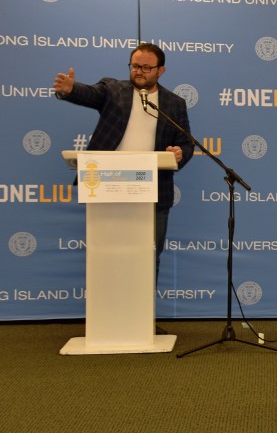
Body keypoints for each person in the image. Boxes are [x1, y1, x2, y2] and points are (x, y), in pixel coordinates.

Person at [53, 42, 194, 279]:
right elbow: (90, 94)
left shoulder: (174, 103)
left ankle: (144, 304)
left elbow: (186, 143)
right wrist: (70, 90)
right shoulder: (113, 89)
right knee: (105, 255)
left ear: (161, 71)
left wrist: (180, 153)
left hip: (154, 192)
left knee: (148, 257)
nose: (139, 71)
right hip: (108, 187)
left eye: (146, 68)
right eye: (135, 66)